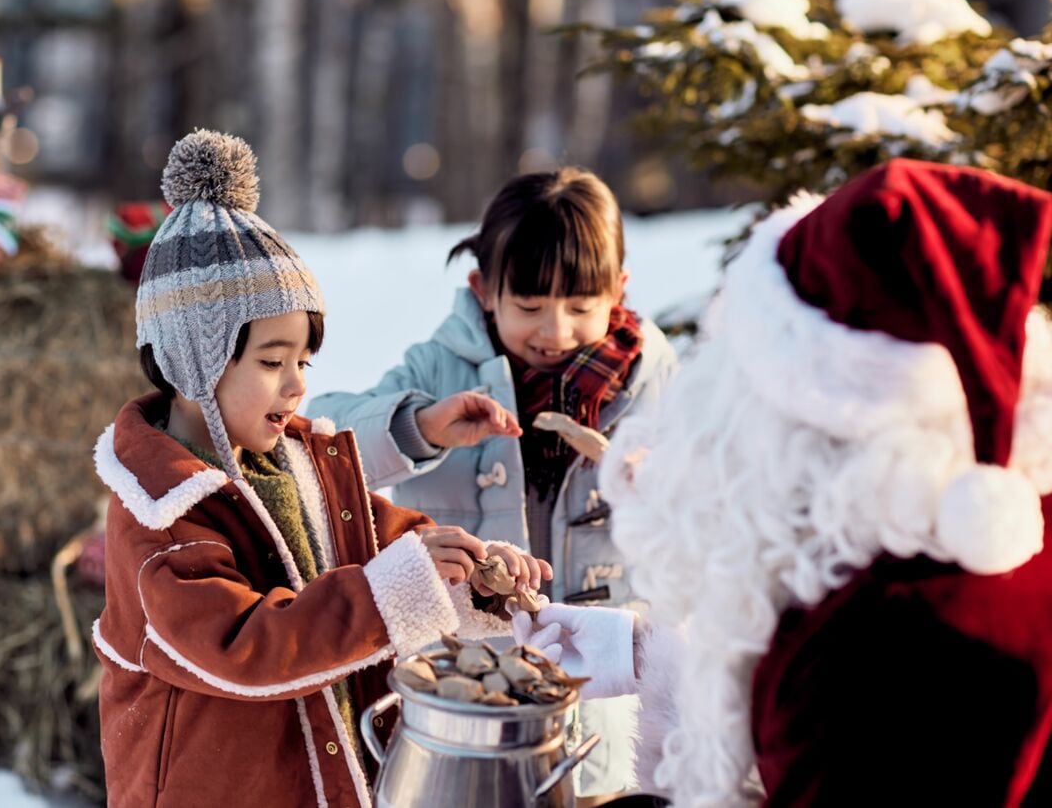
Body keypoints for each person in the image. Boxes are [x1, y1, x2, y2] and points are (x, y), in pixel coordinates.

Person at [528, 158, 1052, 806]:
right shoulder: (915, 538)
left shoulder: (887, 648)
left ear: (802, 415)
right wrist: (640, 655)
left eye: (736, 376)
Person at [92, 130, 546, 807]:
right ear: (194, 361)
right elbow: (244, 646)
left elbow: (380, 542)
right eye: (273, 362)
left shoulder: (297, 461)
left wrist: (464, 573)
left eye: (304, 361)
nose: (297, 385)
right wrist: (391, 590)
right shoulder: (158, 519)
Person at [309, 167, 677, 795]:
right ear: (485, 290)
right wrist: (420, 425)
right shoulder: (440, 365)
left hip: (599, 700)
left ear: (618, 290)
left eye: (581, 307)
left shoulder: (652, 380)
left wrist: (667, 482)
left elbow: (708, 508)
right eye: (530, 307)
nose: (555, 332)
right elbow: (324, 442)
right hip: (469, 688)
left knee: (588, 794)